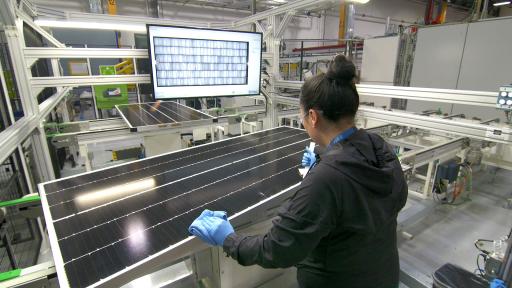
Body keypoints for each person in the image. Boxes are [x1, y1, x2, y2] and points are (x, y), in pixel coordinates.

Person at [189, 55, 408, 288]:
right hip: (382, 275)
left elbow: (277, 249)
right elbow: (382, 199)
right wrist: (325, 163)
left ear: (312, 117)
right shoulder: (378, 146)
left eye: (301, 116)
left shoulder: (326, 180)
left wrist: (228, 239)